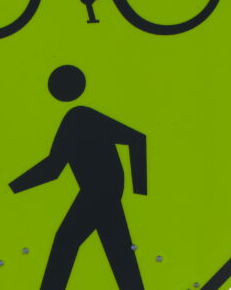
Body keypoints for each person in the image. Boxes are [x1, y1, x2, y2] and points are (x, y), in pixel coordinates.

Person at [9, 65, 147, 290]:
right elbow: (53, 168)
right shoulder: (74, 119)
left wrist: (140, 191)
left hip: (99, 192)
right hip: (104, 193)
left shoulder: (80, 116)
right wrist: (13, 187)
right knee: (119, 252)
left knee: (65, 241)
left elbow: (137, 139)